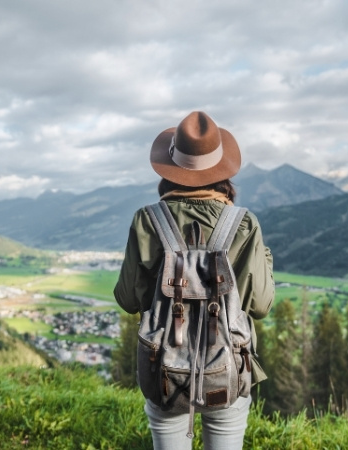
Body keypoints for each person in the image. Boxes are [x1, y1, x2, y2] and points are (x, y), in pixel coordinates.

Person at [114, 111, 275, 449]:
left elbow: (128, 299)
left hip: (165, 370)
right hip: (229, 365)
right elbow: (261, 306)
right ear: (222, 171)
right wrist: (265, 260)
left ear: (169, 170)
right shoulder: (244, 224)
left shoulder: (147, 221)